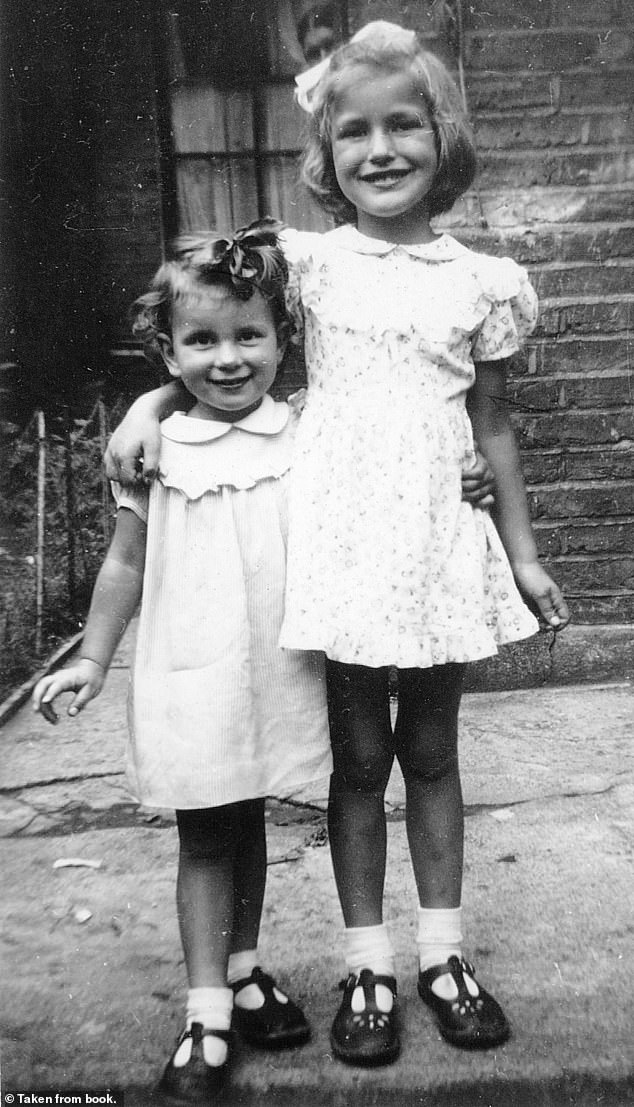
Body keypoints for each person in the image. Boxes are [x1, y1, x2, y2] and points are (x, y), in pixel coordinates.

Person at [104, 21, 570, 1069]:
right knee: (359, 762)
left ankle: (442, 956)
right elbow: (214, 329)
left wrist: (523, 549)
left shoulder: (483, 281)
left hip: (438, 541)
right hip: (342, 540)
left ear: (442, 137)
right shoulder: (306, 262)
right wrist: (150, 401)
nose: (380, 150)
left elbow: (491, 425)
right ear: (327, 152)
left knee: (434, 753)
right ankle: (367, 962)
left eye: (403, 125)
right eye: (353, 131)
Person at [33, 221, 333, 1104]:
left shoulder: (305, 431)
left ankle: (244, 970)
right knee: (207, 830)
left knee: (247, 818)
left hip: (276, 668)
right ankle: (205, 1010)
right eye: (202, 340)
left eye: (249, 335)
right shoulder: (155, 449)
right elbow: (125, 560)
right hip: (192, 666)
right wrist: (93, 659)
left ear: (284, 340)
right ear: (168, 350)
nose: (229, 358)